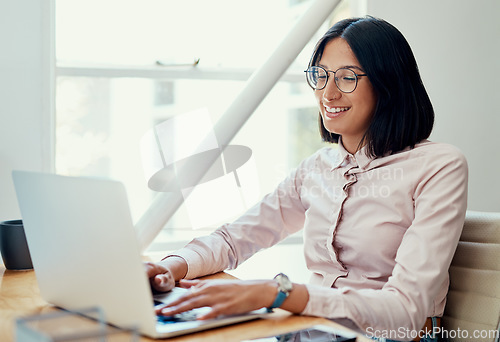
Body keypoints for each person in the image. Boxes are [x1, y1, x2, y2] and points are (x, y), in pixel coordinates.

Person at [146, 16, 468, 342]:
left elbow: (407, 311)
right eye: (321, 76)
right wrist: (171, 266)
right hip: (309, 332)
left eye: (346, 78)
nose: (328, 93)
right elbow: (234, 240)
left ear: (389, 84)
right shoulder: (317, 168)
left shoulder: (439, 166)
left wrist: (279, 293)